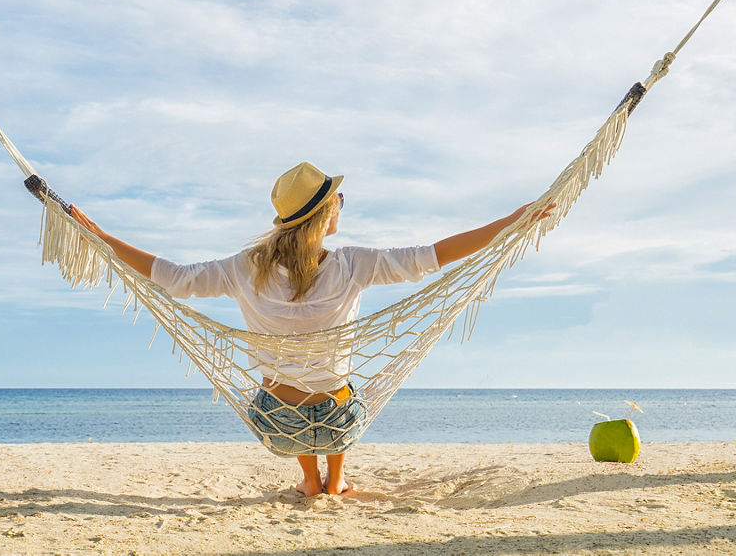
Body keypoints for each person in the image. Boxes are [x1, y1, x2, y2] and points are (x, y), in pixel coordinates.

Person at [67, 161, 553, 498]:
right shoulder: (354, 265)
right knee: (338, 383)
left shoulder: (245, 267)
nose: (343, 203)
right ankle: (335, 481)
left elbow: (173, 278)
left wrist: (101, 236)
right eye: (339, 198)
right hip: (341, 421)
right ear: (327, 213)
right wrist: (513, 221)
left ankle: (309, 480)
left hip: (279, 425)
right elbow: (435, 255)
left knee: (287, 377)